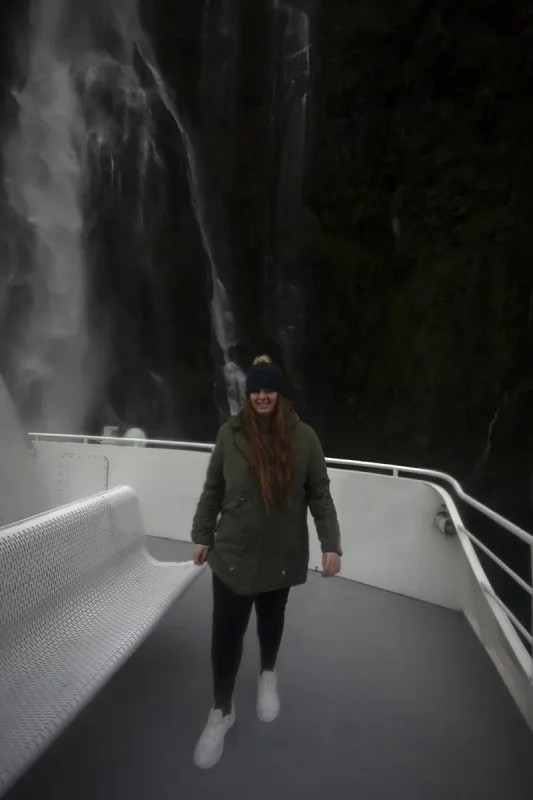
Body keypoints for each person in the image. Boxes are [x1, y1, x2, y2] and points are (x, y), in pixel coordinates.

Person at [191, 355, 342, 769]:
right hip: (233, 555)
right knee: (225, 636)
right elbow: (213, 488)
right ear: (248, 394)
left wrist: (332, 544)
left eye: (268, 389)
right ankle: (222, 710)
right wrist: (203, 534)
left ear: (280, 394)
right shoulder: (230, 434)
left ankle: (267, 675)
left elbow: (320, 495)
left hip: (281, 554)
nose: (261, 396)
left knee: (271, 621)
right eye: (255, 390)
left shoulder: (305, 439)